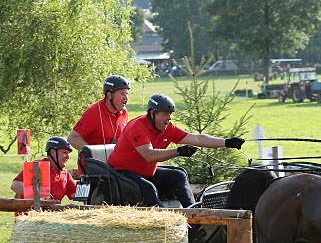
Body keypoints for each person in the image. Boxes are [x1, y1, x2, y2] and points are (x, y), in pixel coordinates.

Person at [107, 93, 244, 208]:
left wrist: (227, 142)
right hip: (120, 173)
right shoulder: (137, 127)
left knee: (178, 175)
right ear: (152, 113)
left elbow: (197, 139)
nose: (169, 118)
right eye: (165, 114)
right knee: (148, 188)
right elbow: (150, 155)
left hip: (146, 173)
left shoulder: (168, 128)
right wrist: (178, 151)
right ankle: (163, 224)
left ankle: (194, 215)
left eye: (170, 114)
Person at [67, 75, 131, 154]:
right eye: (122, 94)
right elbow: (72, 138)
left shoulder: (124, 112)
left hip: (112, 163)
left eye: (127, 94)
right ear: (109, 95)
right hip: (93, 164)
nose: (126, 98)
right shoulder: (93, 113)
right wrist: (93, 154)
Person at [11, 137, 77, 204]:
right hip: (29, 213)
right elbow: (15, 185)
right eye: (65, 153)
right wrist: (40, 195)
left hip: (50, 213)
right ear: (52, 152)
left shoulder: (65, 174)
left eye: (68, 154)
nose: (68, 157)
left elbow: (75, 194)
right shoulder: (37, 166)